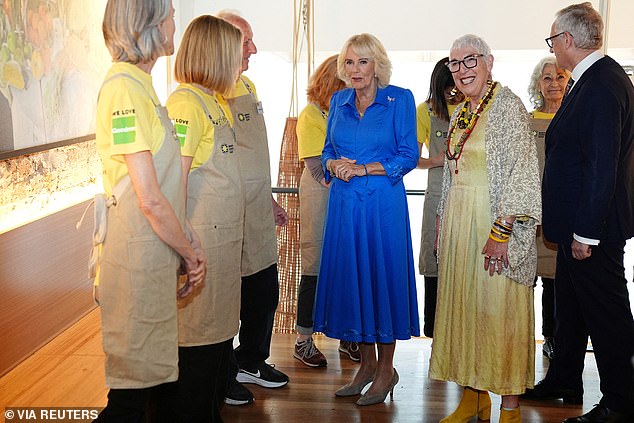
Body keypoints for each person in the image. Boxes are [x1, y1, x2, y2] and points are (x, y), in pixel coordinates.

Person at [94, 0, 206, 420]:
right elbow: (150, 198)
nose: (176, 21)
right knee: (129, 395)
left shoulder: (142, 85)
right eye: (172, 13)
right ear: (153, 24)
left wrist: (187, 237)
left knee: (146, 386)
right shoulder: (124, 88)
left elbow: (165, 187)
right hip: (135, 256)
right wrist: (190, 253)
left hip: (152, 251)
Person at [429, 34, 541, 423]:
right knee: (466, 309)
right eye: (454, 63)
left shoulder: (508, 106)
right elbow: (451, 170)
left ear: (490, 61)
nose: (461, 70)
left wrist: (502, 232)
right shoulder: (462, 110)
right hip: (461, 224)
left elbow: (523, 174)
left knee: (500, 311)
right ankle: (473, 398)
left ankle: (510, 409)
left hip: (492, 224)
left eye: (470, 60)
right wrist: (443, 217)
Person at [530, 3, 634, 422]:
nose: (553, 47)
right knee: (571, 308)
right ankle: (565, 380)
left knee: (607, 316)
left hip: (594, 228)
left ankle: (621, 403)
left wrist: (587, 234)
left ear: (567, 40)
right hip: (577, 222)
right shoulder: (591, 79)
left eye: (553, 39)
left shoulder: (603, 84)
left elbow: (602, 164)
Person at [312, 33, 420, 406]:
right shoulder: (339, 99)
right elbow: (327, 150)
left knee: (381, 281)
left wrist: (364, 169)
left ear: (377, 64)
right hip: (344, 205)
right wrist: (332, 164)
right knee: (355, 283)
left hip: (381, 205)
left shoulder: (400, 99)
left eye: (362, 62)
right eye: (348, 62)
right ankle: (366, 367)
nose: (354, 70)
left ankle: (386, 370)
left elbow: (407, 156)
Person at [164, 15, 243, 422]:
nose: (240, 60)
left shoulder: (214, 101)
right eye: (235, 51)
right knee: (196, 349)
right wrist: (182, 251)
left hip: (224, 247)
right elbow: (172, 184)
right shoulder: (185, 104)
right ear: (215, 55)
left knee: (217, 345)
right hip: (203, 247)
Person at [215, 10, 290, 406]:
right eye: (246, 42)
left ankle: (251, 360)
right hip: (230, 214)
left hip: (258, 209)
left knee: (265, 291)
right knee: (229, 298)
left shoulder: (246, 84)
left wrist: (269, 197)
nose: (254, 50)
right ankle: (224, 373)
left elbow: (251, 154)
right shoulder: (210, 91)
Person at [293, 54, 360, 367]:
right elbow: (318, 168)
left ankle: (348, 338)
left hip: (346, 194)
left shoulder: (346, 114)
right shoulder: (311, 115)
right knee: (315, 267)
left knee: (348, 267)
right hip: (323, 194)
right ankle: (303, 340)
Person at [416, 57, 464, 338]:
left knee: (462, 260)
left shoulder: (473, 107)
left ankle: (461, 332)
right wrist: (436, 160)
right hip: (436, 193)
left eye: (455, 86)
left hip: (467, 194)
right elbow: (410, 157)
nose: (452, 93)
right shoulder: (425, 111)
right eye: (446, 88)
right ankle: (435, 331)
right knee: (434, 259)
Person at [527, 56, 570, 361]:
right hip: (529, 212)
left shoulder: (573, 117)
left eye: (559, 77)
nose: (553, 84)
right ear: (537, 85)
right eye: (547, 79)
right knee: (524, 279)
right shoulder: (526, 121)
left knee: (554, 282)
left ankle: (552, 337)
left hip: (560, 210)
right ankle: (519, 336)